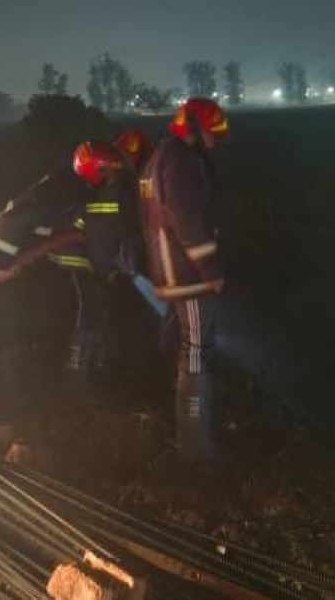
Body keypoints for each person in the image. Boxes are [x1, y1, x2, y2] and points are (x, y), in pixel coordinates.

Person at [0, 140, 133, 391]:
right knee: (15, 324)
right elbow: (11, 223)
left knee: (39, 319)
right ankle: (19, 394)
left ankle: (36, 382)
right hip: (10, 255)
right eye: (107, 171)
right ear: (91, 170)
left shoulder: (75, 184)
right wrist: (2, 264)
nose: (112, 177)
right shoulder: (60, 193)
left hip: (29, 255)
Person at [137, 98, 229, 462]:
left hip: (170, 272)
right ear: (193, 127)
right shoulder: (180, 161)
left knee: (186, 349)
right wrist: (212, 271)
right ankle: (195, 451)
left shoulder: (159, 158)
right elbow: (188, 220)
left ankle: (190, 440)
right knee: (197, 353)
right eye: (213, 131)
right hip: (188, 276)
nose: (217, 139)